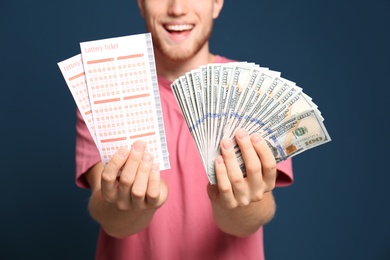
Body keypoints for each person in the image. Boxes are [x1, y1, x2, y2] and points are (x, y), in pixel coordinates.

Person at [75, 0, 293, 259]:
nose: (177, 8)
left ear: (217, 3)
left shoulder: (254, 90)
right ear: (141, 4)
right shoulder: (106, 91)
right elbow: (114, 224)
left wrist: (231, 203)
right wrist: (138, 205)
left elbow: (248, 222)